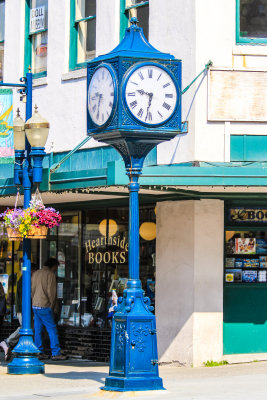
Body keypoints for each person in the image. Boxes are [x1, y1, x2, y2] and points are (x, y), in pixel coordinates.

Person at [0, 263, 38, 361]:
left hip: (23, 308)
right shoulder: (24, 279)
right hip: (23, 309)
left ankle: (14, 347)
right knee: (25, 327)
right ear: (31, 270)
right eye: (34, 271)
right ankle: (7, 342)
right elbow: (24, 297)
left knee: (28, 328)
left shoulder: (24, 279)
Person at [31, 258, 66, 361]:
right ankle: (56, 353)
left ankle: (39, 352)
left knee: (38, 330)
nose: (56, 269)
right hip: (45, 306)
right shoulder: (50, 275)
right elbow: (51, 293)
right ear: (53, 266)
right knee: (52, 329)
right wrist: (53, 306)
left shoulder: (36, 273)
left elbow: (32, 290)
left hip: (35, 305)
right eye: (56, 267)